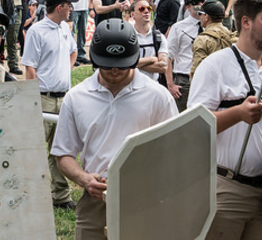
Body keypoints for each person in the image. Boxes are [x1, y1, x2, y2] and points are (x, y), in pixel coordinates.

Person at [51, 18, 178, 239]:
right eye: (107, 64)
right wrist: (84, 179)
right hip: (96, 201)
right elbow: (63, 154)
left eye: (122, 63)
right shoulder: (77, 97)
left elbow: (175, 151)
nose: (115, 70)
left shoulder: (157, 96)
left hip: (145, 200)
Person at [188, 0, 262, 239]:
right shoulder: (215, 66)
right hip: (227, 189)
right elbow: (193, 128)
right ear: (246, 22)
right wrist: (237, 113)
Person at [21, 0, 79, 210]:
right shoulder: (36, 31)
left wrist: (67, 70)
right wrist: (34, 96)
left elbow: (73, 52)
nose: (71, 9)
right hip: (43, 98)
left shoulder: (65, 28)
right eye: (68, 5)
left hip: (63, 98)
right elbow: (29, 67)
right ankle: (29, 194)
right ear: (58, 7)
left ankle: (61, 196)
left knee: (60, 149)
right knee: (34, 149)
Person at [166, 0, 207, 111]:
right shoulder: (178, 27)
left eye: (202, 0)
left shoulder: (210, 26)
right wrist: (170, 84)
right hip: (184, 79)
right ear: (188, 7)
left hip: (205, 78)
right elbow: (168, 56)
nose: (199, 4)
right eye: (195, 2)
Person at [191, 0, 233, 76]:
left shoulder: (202, 40)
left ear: (207, 17)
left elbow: (198, 71)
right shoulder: (231, 37)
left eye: (200, 14)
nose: (199, 17)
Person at [130, 0, 168, 83]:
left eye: (149, 8)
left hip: (153, 86)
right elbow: (122, 63)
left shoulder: (159, 37)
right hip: (131, 87)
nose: (146, 11)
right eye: (141, 9)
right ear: (133, 15)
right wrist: (151, 59)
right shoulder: (126, 36)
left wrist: (134, 64)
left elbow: (163, 67)